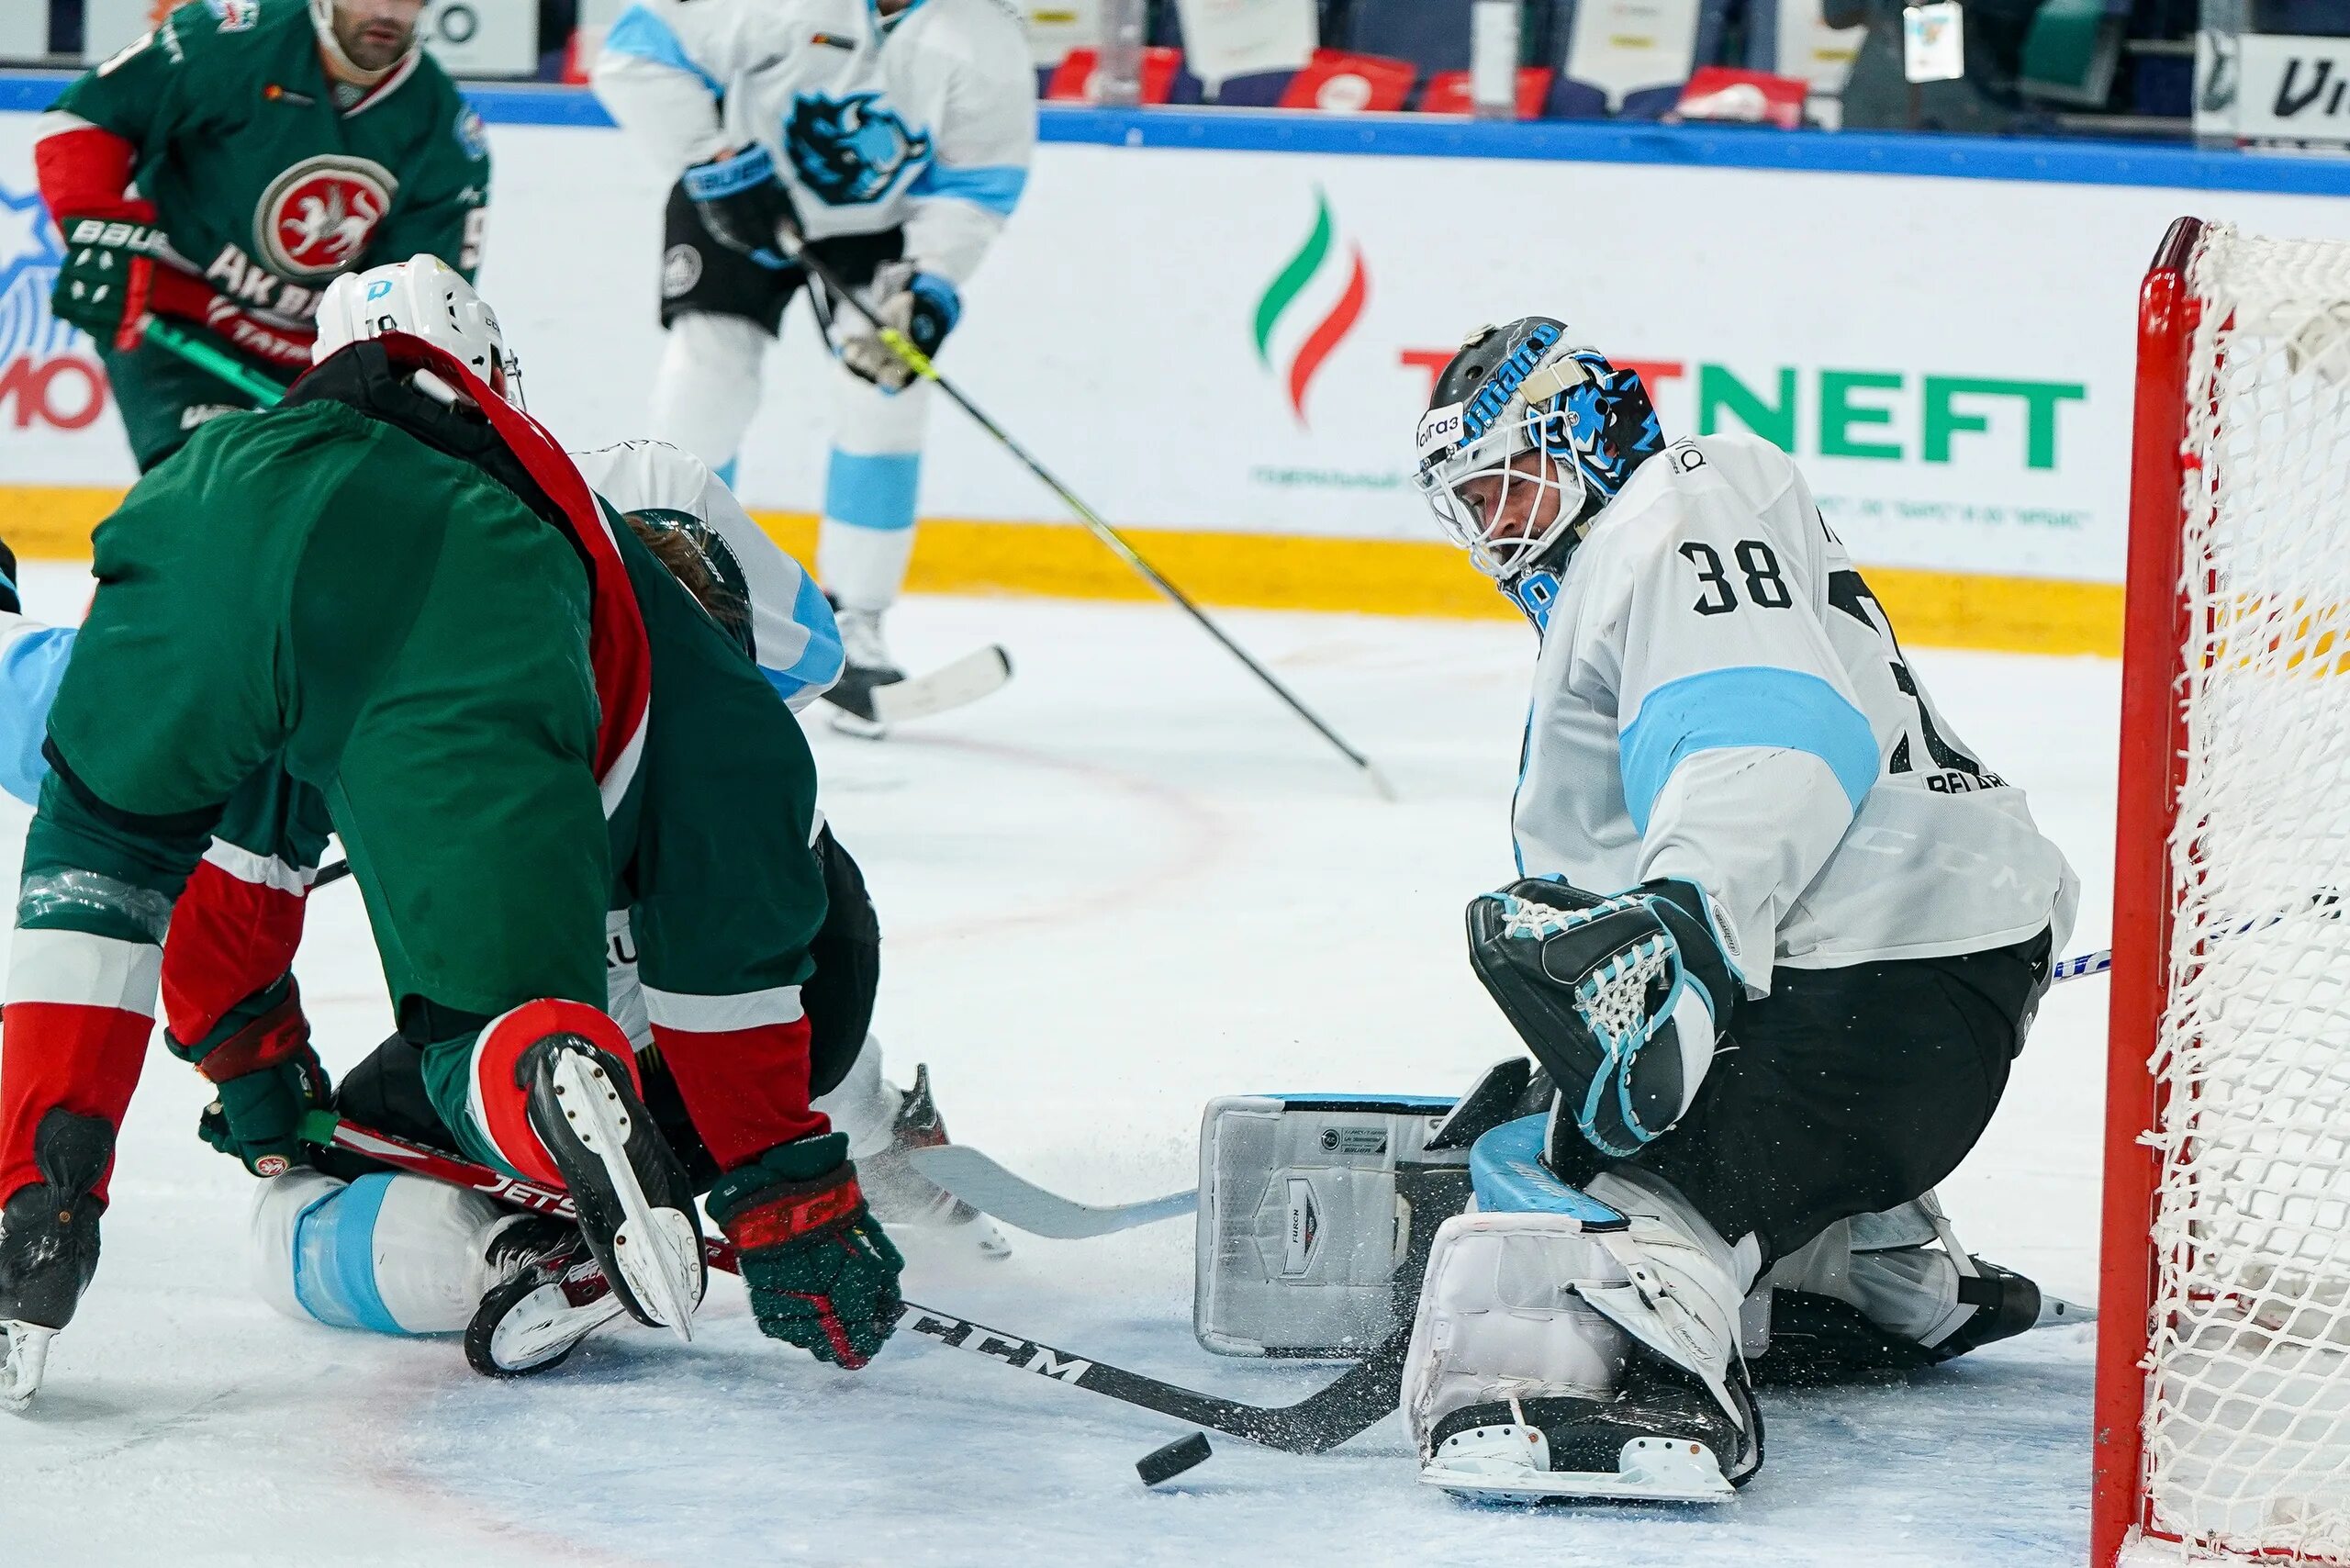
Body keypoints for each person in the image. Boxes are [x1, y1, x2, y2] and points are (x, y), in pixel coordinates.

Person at [0, 258, 908, 1408]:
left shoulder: (262, 495)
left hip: (213, 544)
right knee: (517, 1025)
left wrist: (255, 1065)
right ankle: (596, 1111)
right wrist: (787, 1192)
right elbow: (796, 701)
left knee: (108, 867)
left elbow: (221, 872)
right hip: (733, 978)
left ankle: (32, 1203)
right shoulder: (619, 509)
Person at [1396, 318, 2079, 1501]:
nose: (1501, 528)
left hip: (1879, 982)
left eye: (1514, 483)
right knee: (1554, 1133)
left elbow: (1766, 727)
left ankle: (1658, 1339)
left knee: (1612, 1200)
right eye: (1478, 503)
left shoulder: (1674, 507)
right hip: (1905, 996)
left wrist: (1681, 939)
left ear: (1591, 430)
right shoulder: (1637, 563)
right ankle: (1861, 1263)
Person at [591, 0, 1036, 722]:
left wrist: (928, 285)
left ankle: (857, 627)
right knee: (710, 380)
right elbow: (635, 51)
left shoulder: (985, 37)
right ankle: (664, 591)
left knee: (887, 394)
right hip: (733, 203)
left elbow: (977, 184)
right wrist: (712, 158)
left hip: (878, 229)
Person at [34, 0, 490, 471]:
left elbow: (418, 296)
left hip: (321, 351)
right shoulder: (229, 40)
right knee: (207, 489)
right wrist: (94, 228)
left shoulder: (445, 130)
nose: (388, 13)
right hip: (183, 312)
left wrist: (391, 382)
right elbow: (86, 117)